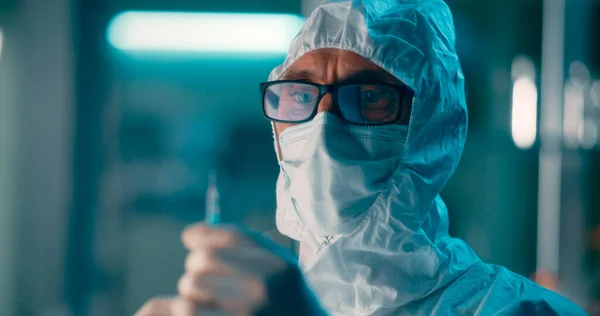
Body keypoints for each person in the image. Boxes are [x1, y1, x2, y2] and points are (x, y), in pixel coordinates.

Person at [135, 0, 588, 315]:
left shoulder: (521, 311)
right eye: (300, 95)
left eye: (369, 96)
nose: (323, 126)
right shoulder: (245, 301)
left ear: (431, 128)